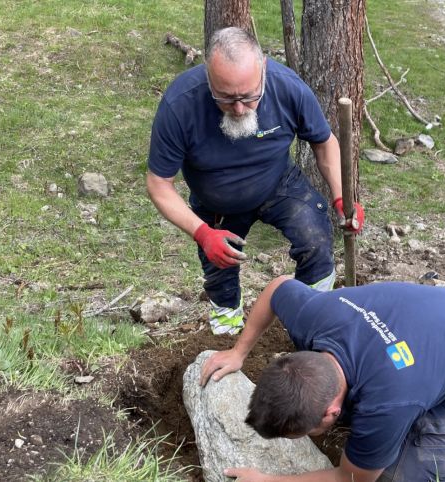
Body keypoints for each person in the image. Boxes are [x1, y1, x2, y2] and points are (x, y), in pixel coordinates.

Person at [147, 27, 364, 335]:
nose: (238, 109)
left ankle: (312, 314)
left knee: (315, 240)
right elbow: (158, 184)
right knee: (220, 270)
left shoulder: (288, 88)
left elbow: (324, 142)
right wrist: (202, 233)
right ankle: (227, 328)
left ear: (263, 68)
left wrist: (343, 197)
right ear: (208, 77)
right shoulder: (180, 104)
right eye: (226, 98)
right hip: (216, 202)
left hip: (277, 183)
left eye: (249, 97)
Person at [200, 276, 445, 482]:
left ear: (331, 413)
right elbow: (278, 286)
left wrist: (269, 480)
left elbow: (350, 479)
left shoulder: (387, 400)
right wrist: (238, 351)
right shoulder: (314, 315)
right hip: (442, 323)